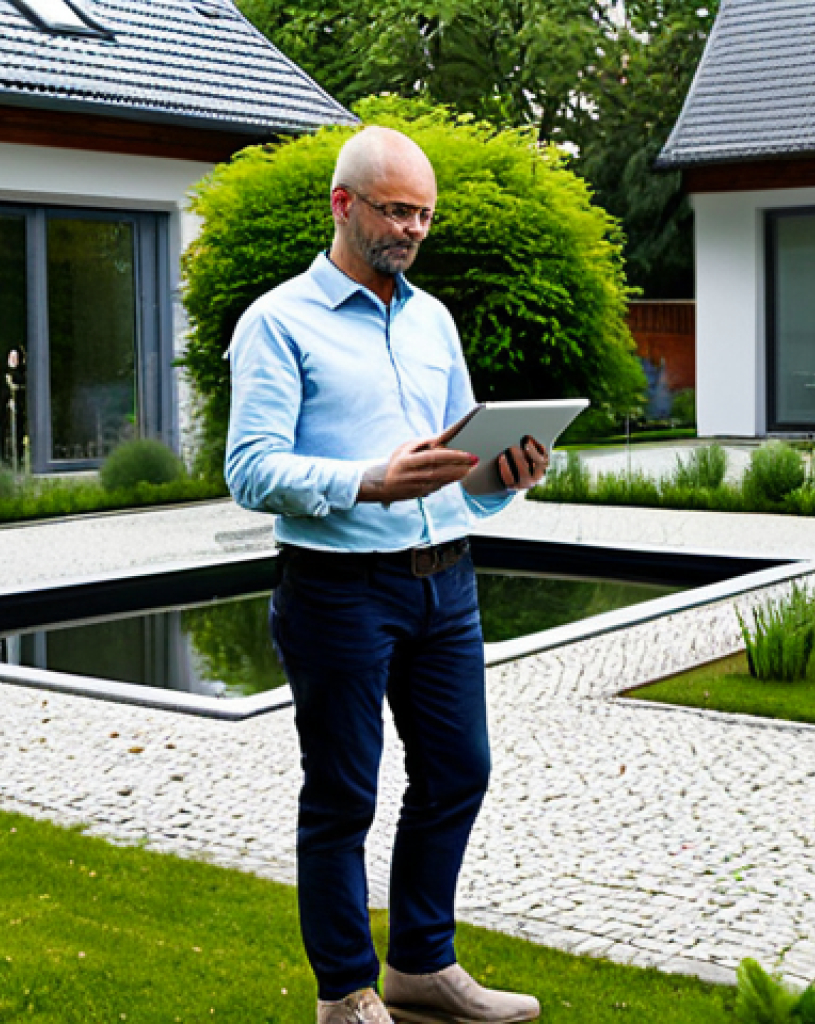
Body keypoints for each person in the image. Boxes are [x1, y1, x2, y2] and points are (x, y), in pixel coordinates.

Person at [226, 125, 549, 1024]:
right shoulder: (277, 322)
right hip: (338, 590)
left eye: (424, 216)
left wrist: (505, 475)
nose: (412, 229)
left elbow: (460, 464)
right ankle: (344, 994)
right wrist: (368, 481)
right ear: (344, 204)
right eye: (397, 211)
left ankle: (421, 967)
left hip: (447, 583)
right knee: (343, 796)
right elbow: (249, 470)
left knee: (458, 773)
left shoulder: (433, 319)